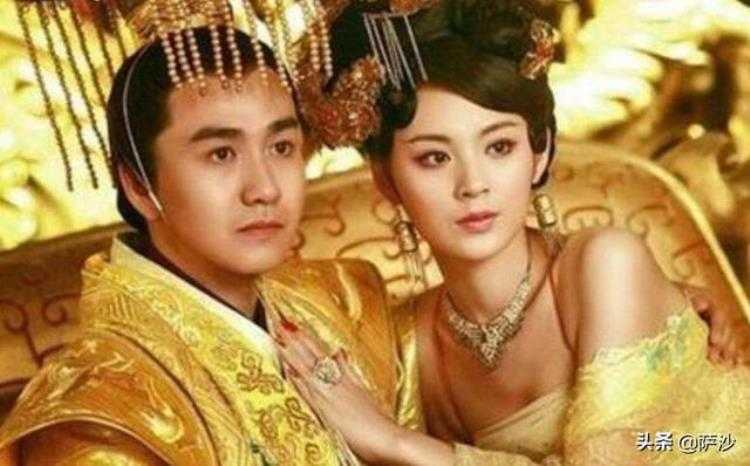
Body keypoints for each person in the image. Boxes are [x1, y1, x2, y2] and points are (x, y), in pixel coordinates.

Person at [275, 0, 750, 464]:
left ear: (539, 154)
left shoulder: (605, 264)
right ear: (386, 178)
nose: (473, 184)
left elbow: (637, 455)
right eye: (434, 158)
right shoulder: (414, 345)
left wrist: (397, 443)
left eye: (499, 147)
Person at [0, 27, 398, 466]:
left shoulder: (340, 298)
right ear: (138, 185)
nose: (264, 189)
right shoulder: (95, 425)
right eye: (221, 154)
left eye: (281, 147)